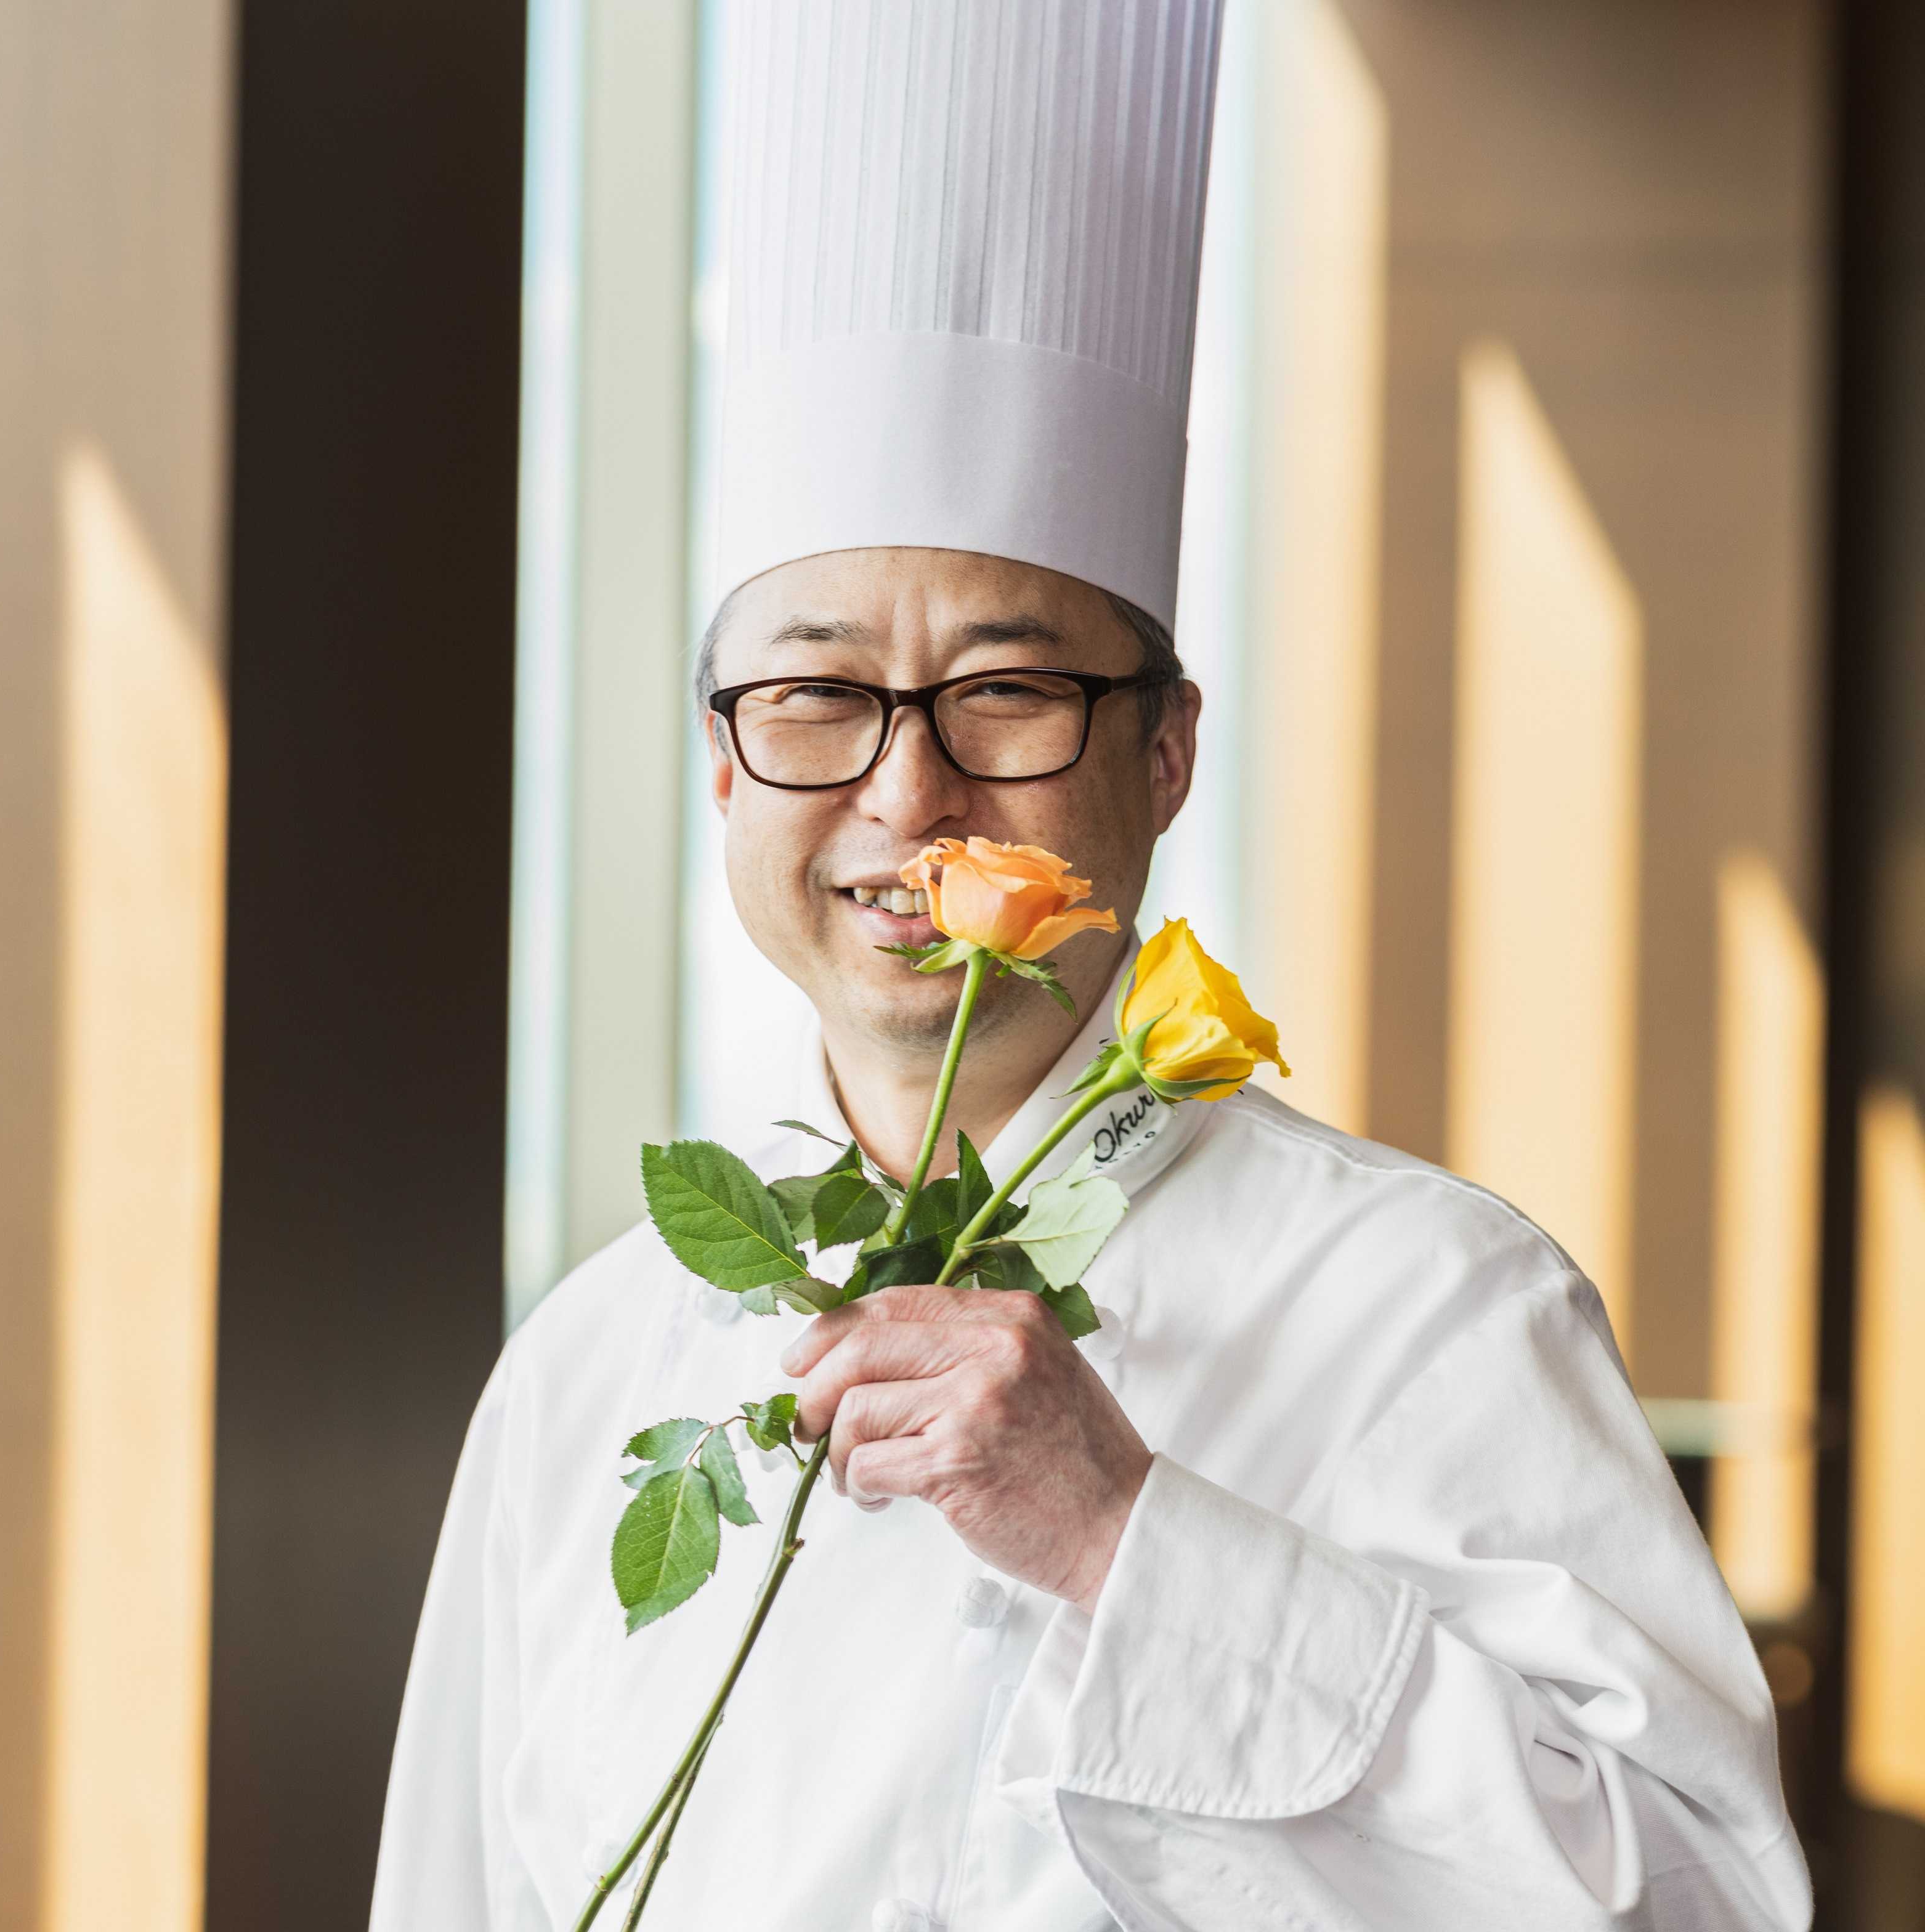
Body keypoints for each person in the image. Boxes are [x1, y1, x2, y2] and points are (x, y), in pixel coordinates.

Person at [370, 5, 1810, 1927]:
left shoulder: (1432, 1308)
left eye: (1009, 691)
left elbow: (1707, 1900)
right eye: (816, 697)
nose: (909, 791)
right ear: (723, 760)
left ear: (1165, 750)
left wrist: (1129, 1538)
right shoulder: (590, 1373)